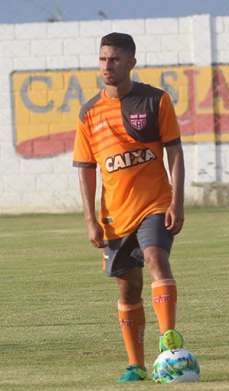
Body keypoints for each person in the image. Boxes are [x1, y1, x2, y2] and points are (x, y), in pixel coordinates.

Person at [72, 32, 187, 383]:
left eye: (116, 59)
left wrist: (177, 201)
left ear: (131, 63)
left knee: (155, 256)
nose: (108, 65)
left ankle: (168, 340)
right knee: (128, 287)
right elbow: (85, 169)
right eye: (103, 59)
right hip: (114, 215)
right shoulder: (89, 112)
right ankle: (135, 365)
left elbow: (175, 152)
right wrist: (90, 219)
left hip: (154, 204)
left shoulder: (155, 101)